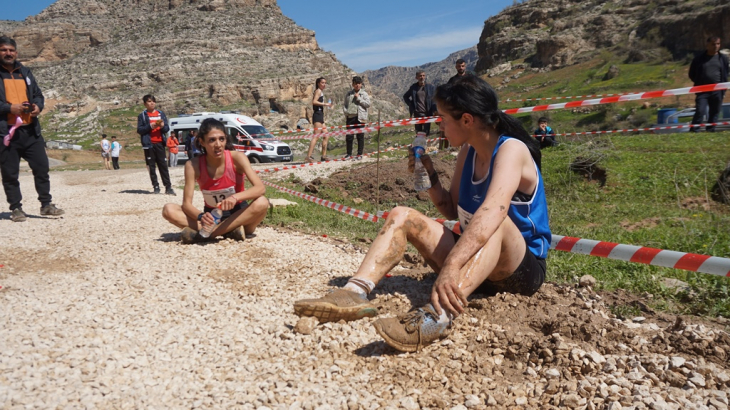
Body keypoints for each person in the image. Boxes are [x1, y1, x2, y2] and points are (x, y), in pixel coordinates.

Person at [294, 75, 550, 352]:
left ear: (466, 120)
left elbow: (493, 210)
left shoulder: (512, 149)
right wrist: (427, 172)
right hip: (473, 263)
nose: (438, 124)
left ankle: (437, 317)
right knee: (402, 214)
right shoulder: (468, 151)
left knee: (496, 222)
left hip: (519, 273)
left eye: (442, 118)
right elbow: (451, 209)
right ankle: (355, 291)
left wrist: (452, 264)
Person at [162, 118, 269, 244]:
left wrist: (234, 198)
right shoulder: (193, 165)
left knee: (262, 202)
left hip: (240, 215)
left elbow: (260, 188)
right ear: (202, 142)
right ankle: (228, 231)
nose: (218, 144)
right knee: (168, 209)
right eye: (212, 140)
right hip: (212, 217)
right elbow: (186, 204)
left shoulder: (238, 158)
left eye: (221, 139)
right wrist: (201, 216)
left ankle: (208, 234)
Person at [0, 36, 64, 222]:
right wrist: (9, 108)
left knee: (42, 168)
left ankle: (46, 204)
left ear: (16, 52)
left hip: (30, 131)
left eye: (11, 50)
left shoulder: (25, 72)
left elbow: (38, 95)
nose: (8, 53)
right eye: (3, 50)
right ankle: (16, 208)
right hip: (7, 133)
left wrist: (37, 106)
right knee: (10, 173)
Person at [137, 94, 175, 195]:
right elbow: (140, 130)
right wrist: (150, 126)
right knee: (151, 166)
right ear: (145, 104)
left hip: (160, 144)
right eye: (149, 101)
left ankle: (168, 187)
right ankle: (156, 186)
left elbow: (167, 129)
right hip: (148, 145)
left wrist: (162, 126)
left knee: (163, 166)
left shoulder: (161, 113)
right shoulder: (142, 116)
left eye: (153, 101)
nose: (152, 103)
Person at [689, 36, 728, 132]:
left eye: (718, 44)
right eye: (713, 44)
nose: (716, 46)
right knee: (700, 111)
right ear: (707, 45)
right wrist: (699, 83)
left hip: (718, 91)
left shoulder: (723, 58)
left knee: (715, 112)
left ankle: (710, 130)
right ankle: (694, 131)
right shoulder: (698, 59)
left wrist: (723, 89)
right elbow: (692, 74)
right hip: (702, 91)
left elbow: (726, 73)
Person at [342, 76, 371, 160]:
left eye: (359, 83)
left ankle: (359, 154)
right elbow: (345, 104)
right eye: (355, 84)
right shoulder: (348, 94)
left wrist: (359, 99)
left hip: (360, 118)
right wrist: (346, 112)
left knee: (360, 136)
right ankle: (349, 154)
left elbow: (368, 104)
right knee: (349, 136)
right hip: (350, 118)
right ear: (353, 84)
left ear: (361, 84)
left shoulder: (364, 94)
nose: (357, 85)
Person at [305, 77, 333, 162]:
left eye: (325, 83)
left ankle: (323, 156)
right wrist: (325, 104)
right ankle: (308, 156)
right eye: (322, 83)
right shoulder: (318, 91)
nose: (324, 84)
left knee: (326, 135)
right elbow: (314, 101)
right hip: (317, 115)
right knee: (316, 136)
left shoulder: (321, 92)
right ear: (318, 83)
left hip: (320, 115)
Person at [403, 71, 437, 135]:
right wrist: (411, 105)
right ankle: (419, 145)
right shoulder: (413, 88)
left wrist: (435, 110)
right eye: (420, 76)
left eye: (423, 75)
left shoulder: (430, 87)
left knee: (426, 133)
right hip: (417, 114)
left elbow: (434, 100)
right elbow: (405, 96)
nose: (422, 77)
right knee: (418, 134)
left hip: (427, 114)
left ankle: (424, 145)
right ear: (416, 77)